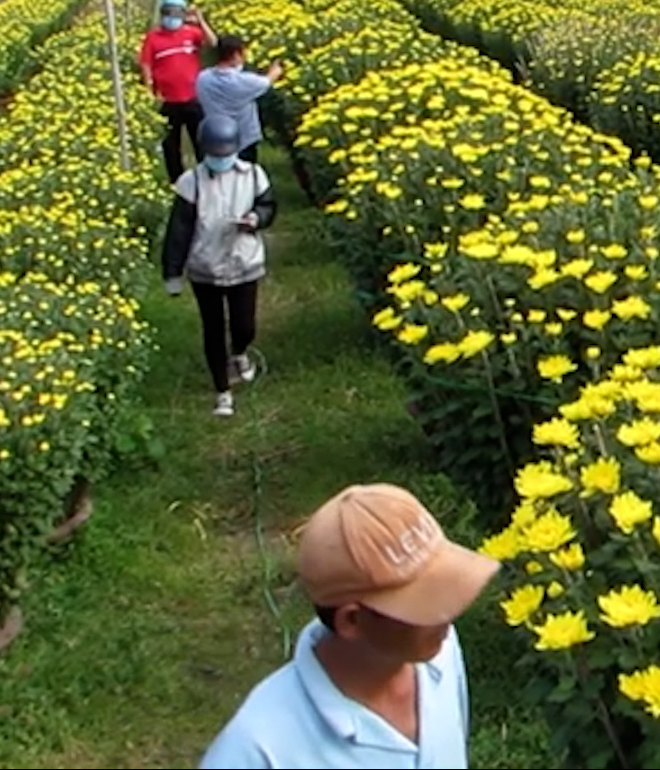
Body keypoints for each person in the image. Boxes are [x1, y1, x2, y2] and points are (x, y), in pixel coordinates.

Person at [199, 483, 500, 769]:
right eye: (422, 603)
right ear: (351, 620)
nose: (448, 612)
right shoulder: (258, 749)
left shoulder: (440, 653)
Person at [163, 114, 277, 417]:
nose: (220, 160)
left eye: (225, 155)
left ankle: (239, 353)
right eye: (215, 155)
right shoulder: (191, 182)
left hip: (244, 261)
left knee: (244, 325)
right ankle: (222, 391)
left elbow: (268, 206)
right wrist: (172, 272)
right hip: (206, 266)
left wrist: (255, 220)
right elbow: (179, 229)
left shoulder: (253, 174)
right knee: (213, 329)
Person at [138, 0, 217, 183]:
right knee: (171, 144)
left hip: (192, 97)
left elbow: (213, 43)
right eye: (168, 12)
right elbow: (146, 65)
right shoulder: (153, 38)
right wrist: (149, 90)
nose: (171, 17)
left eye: (176, 12)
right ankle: (178, 181)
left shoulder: (191, 33)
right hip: (167, 99)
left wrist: (201, 21)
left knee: (200, 140)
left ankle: (207, 176)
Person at [196, 34, 284, 165]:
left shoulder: (203, 78)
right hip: (242, 142)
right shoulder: (241, 82)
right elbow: (266, 82)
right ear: (236, 55)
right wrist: (275, 69)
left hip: (214, 138)